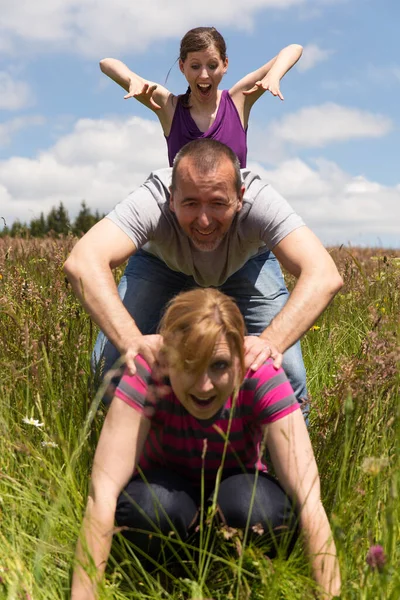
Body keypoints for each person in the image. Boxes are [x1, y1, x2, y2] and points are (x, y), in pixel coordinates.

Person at [71, 288, 341, 599]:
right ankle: (166, 571)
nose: (203, 386)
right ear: (167, 359)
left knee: (261, 510)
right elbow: (101, 496)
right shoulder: (147, 373)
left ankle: (234, 571)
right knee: (151, 508)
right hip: (165, 497)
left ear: (240, 360)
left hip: (238, 497)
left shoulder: (261, 375)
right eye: (188, 366)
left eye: (220, 366)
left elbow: (309, 502)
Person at [64, 139, 343, 403]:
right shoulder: (152, 200)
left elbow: (323, 274)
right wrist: (130, 340)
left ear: (240, 197)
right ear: (172, 198)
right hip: (160, 265)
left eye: (218, 203)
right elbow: (83, 261)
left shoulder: (263, 201)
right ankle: (127, 444)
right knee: (111, 365)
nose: (205, 220)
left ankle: (280, 451)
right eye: (191, 204)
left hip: (246, 265)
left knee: (284, 373)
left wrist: (271, 342)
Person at [99, 26, 303, 167]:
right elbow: (107, 63)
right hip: (184, 224)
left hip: (233, 223)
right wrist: (131, 79)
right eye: (195, 66)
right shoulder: (169, 107)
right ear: (182, 67)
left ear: (225, 65)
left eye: (212, 65)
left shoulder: (239, 100)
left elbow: (294, 49)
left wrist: (275, 75)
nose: (204, 75)